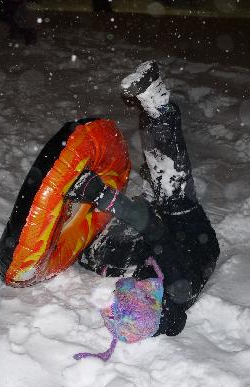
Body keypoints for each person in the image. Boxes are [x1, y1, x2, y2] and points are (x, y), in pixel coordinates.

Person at [67, 61, 220, 337]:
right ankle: (157, 101)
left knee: (100, 257)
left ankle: (148, 199)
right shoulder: (178, 285)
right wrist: (102, 195)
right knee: (172, 190)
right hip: (191, 236)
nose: (122, 292)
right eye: (128, 297)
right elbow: (152, 229)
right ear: (150, 301)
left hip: (157, 253)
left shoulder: (150, 294)